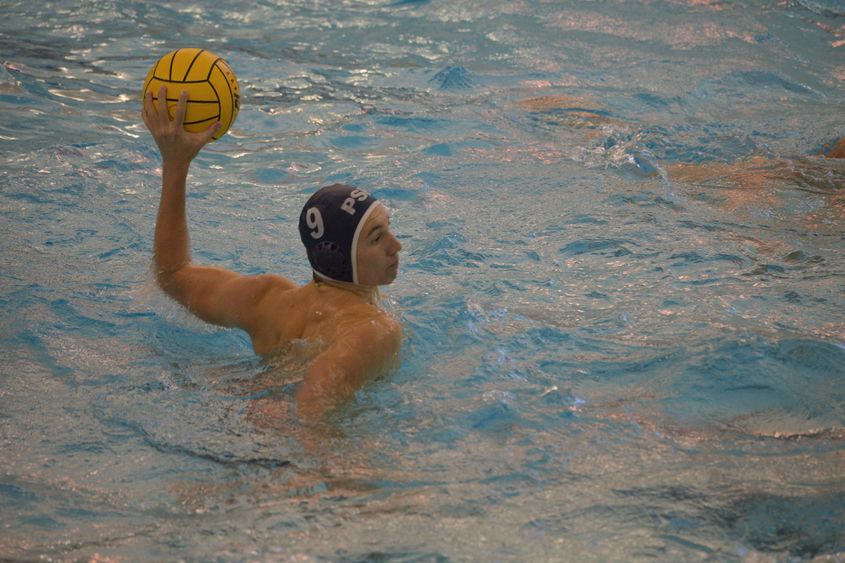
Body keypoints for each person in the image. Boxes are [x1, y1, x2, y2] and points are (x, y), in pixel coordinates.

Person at [142, 87, 403, 421]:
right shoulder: (374, 330)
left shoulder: (266, 299)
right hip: (279, 445)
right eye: (376, 238)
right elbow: (311, 407)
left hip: (229, 411)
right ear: (340, 257)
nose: (396, 245)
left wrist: (175, 165)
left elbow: (171, 274)